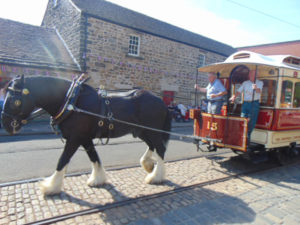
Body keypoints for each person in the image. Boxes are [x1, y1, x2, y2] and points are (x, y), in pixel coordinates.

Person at [229, 70, 263, 141]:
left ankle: (248, 137)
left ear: (256, 75)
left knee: (251, 121)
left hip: (254, 103)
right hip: (246, 103)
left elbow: (259, 91)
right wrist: (234, 96)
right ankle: (241, 136)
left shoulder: (259, 83)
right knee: (242, 118)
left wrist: (256, 88)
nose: (250, 75)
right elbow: (239, 91)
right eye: (250, 74)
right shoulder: (245, 83)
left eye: (252, 74)